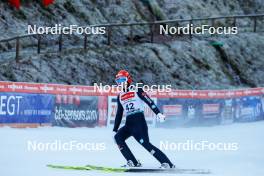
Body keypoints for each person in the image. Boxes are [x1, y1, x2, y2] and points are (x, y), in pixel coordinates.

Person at [113, 70, 174, 168]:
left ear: (128, 80)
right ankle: (132, 162)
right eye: (118, 81)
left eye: (122, 80)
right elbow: (119, 113)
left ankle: (167, 163)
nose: (120, 83)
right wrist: (115, 129)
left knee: (145, 144)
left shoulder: (137, 90)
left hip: (139, 122)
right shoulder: (120, 96)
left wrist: (158, 113)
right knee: (118, 137)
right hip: (129, 124)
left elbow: (149, 101)